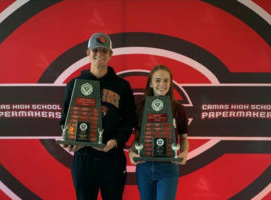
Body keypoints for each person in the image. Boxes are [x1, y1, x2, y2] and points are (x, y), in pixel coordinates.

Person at [60, 32, 136, 200]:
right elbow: (65, 119)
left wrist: (116, 141)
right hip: (84, 157)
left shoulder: (122, 86)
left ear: (110, 55)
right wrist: (71, 140)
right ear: (88, 53)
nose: (99, 54)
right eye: (95, 50)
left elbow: (130, 120)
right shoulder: (74, 84)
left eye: (104, 51)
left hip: (112, 157)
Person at [128, 65, 189, 200]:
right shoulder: (141, 107)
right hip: (144, 166)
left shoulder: (178, 109)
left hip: (168, 167)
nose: (162, 84)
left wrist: (184, 153)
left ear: (171, 83)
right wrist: (131, 152)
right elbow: (137, 138)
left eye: (166, 80)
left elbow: (184, 137)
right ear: (150, 83)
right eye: (157, 80)